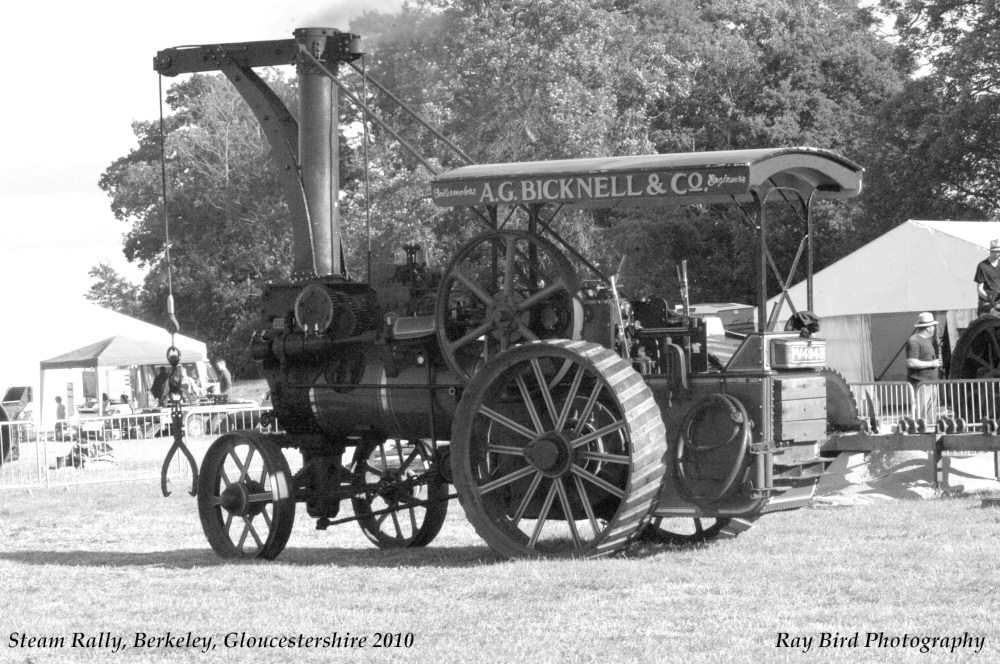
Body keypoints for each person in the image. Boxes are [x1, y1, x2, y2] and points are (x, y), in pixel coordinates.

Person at [906, 312, 942, 421]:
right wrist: (932, 363)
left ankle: (929, 433)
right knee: (921, 415)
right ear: (928, 328)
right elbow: (911, 362)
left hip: (930, 383)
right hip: (921, 384)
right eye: (933, 326)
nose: (934, 328)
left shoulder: (924, 341)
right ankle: (919, 434)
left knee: (930, 415)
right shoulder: (914, 341)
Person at [974, 239, 1000, 315]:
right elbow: (979, 289)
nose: (999, 253)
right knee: (986, 324)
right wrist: (990, 300)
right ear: (991, 251)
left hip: (998, 302)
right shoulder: (982, 266)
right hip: (986, 302)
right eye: (998, 251)